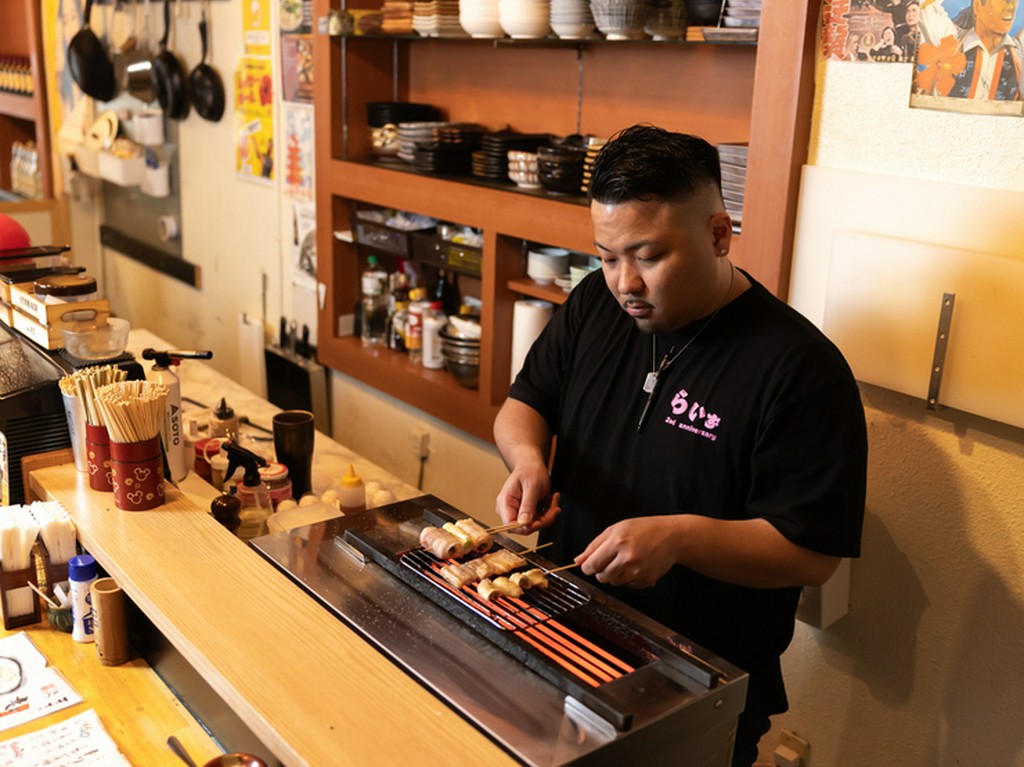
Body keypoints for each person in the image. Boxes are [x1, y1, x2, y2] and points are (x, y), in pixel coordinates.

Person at [494, 125, 867, 767]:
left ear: (719, 235)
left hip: (696, 677)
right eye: (608, 257)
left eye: (648, 256)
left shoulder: (800, 370)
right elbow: (524, 405)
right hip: (564, 631)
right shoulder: (594, 304)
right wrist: (528, 461)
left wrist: (679, 538)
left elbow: (811, 554)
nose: (625, 284)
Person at [917, 0, 1023, 100]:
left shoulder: (1018, 52)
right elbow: (923, 7)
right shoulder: (950, 39)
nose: (1010, 7)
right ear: (977, 6)